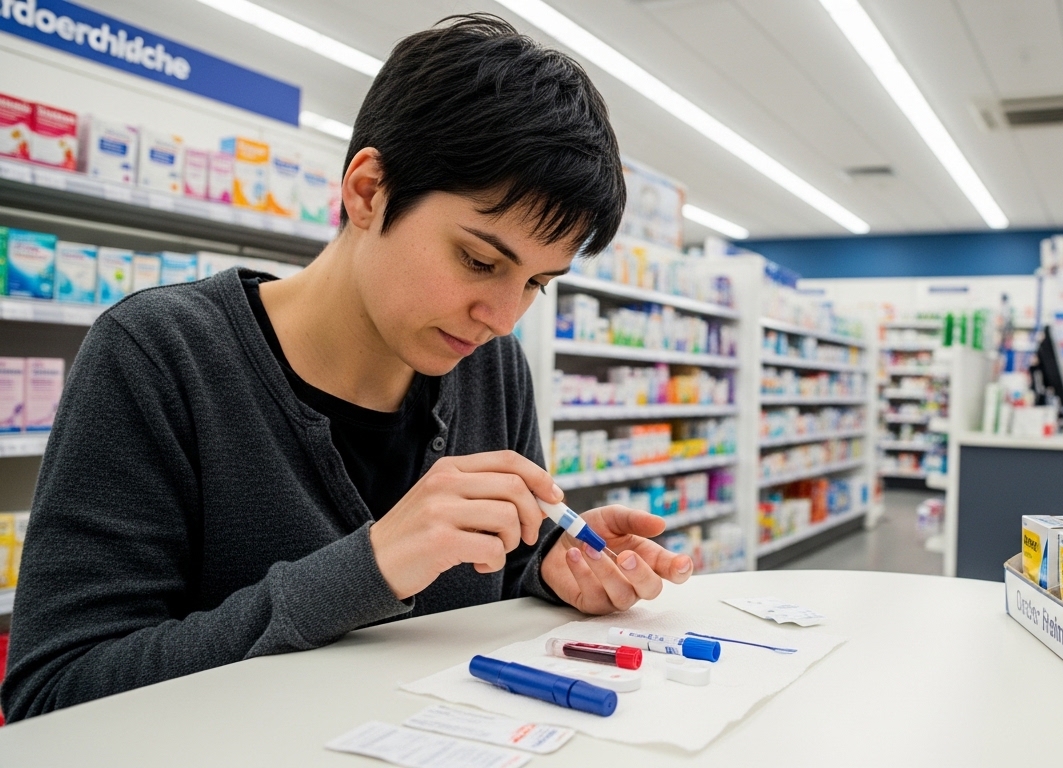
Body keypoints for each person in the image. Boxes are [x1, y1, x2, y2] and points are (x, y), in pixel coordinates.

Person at [1, 15, 695, 722]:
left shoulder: (495, 370)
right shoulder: (159, 355)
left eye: (535, 284)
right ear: (366, 192)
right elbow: (54, 694)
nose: (502, 317)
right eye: (480, 262)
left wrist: (547, 563)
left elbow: (484, 578)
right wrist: (369, 567)